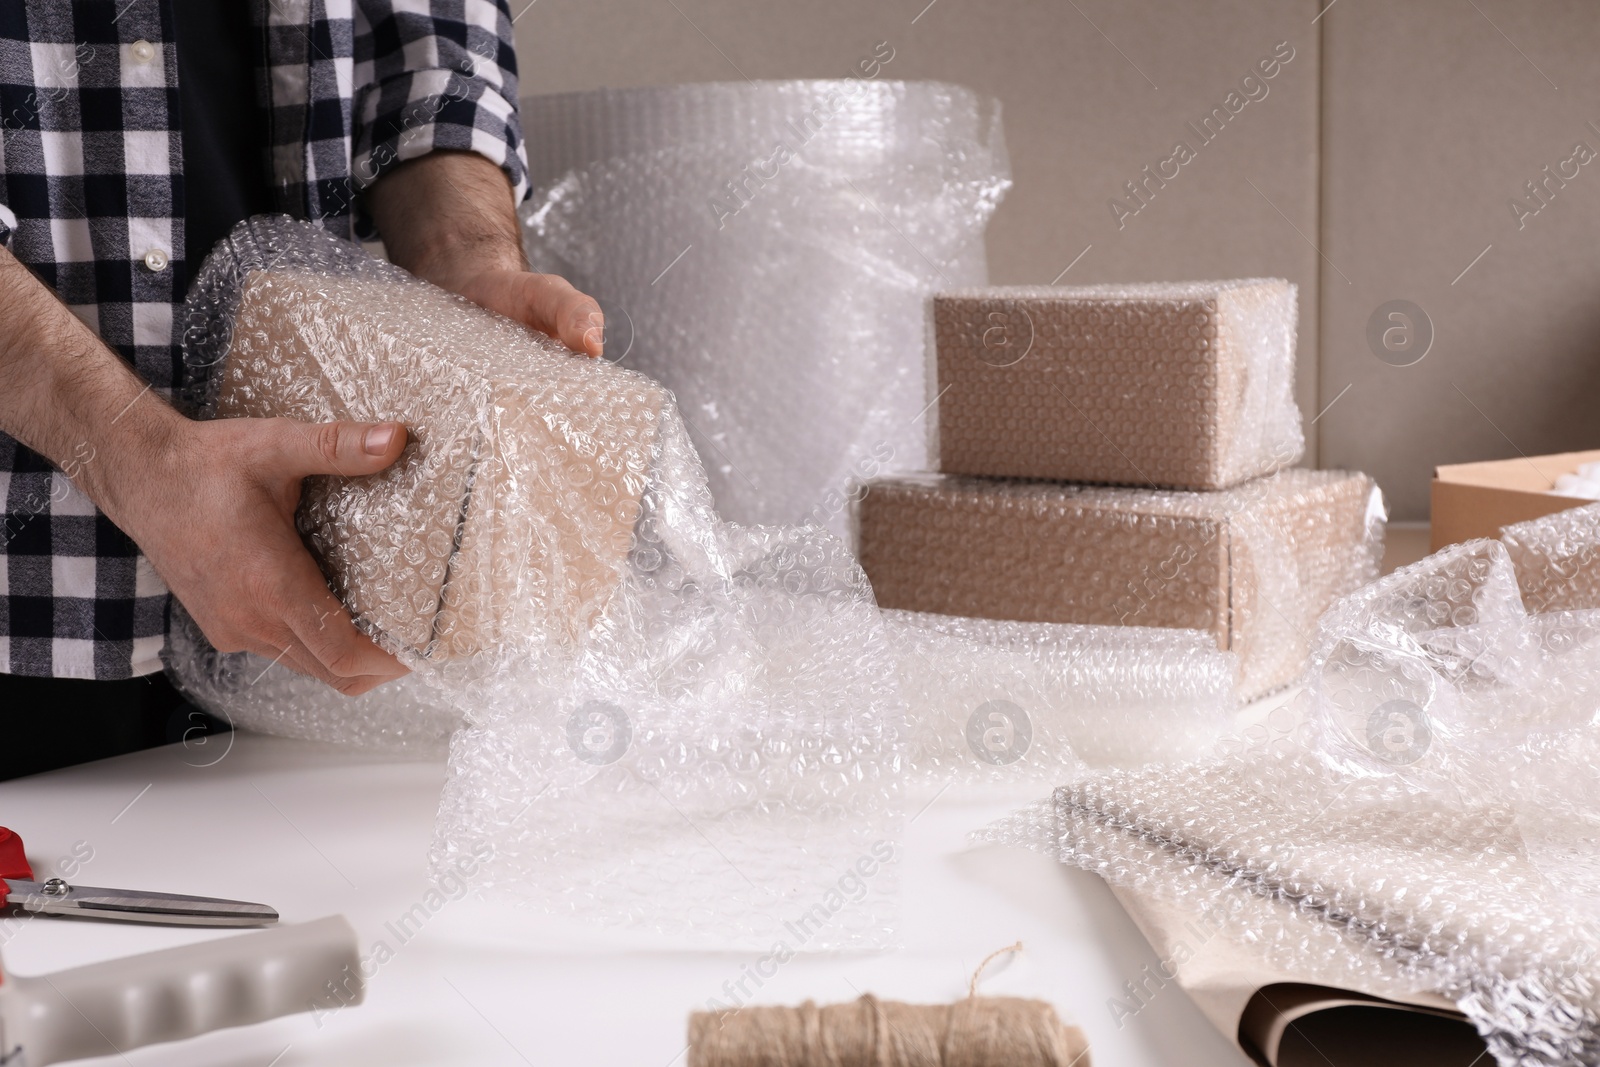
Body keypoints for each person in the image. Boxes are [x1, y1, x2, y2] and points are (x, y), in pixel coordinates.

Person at [0, 0, 603, 778]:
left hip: (296, 598)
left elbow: (426, 31)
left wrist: (468, 256)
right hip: (28, 597)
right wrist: (138, 455)